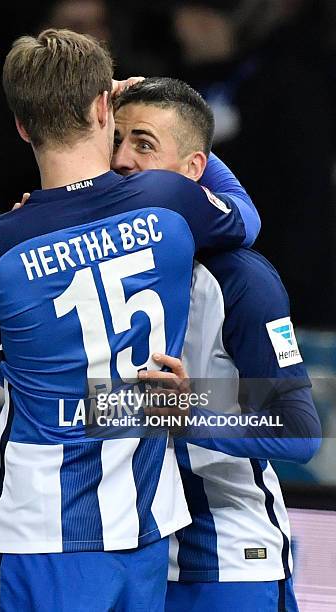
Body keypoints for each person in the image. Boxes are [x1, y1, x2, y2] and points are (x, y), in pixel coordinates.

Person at [0, 31, 260, 611]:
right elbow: (244, 213)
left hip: (41, 534)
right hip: (145, 527)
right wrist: (195, 145)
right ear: (104, 107)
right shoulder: (168, 198)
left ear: (22, 127)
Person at [112, 77, 321, 612]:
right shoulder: (97, 268)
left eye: (143, 143)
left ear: (194, 171)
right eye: (113, 140)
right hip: (123, 558)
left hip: (226, 565)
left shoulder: (243, 281)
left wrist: (189, 408)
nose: (121, 160)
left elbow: (300, 430)